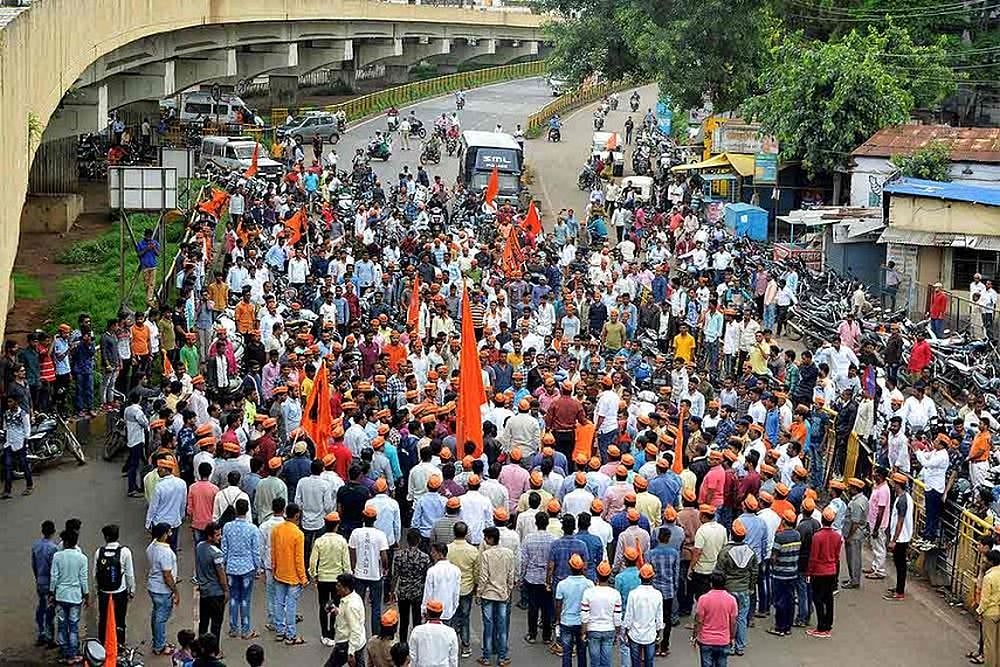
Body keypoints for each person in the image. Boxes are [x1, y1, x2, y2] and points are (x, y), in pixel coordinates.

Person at [714, 519, 757, 656]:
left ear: (731, 534)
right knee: (742, 618)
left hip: (728, 590)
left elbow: (719, 572)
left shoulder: (725, 552)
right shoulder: (750, 552)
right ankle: (740, 646)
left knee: (728, 619)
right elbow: (754, 572)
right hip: (744, 590)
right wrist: (751, 587)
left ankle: (729, 644)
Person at [222, 498, 263, 640]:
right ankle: (246, 630)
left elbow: (224, 549)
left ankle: (233, 629)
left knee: (233, 598)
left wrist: (224, 565)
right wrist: (258, 568)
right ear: (247, 510)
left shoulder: (227, 527)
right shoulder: (253, 529)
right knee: (245, 599)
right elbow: (256, 551)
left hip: (231, 568)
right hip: (247, 568)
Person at [310, 512, 352, 647]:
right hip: (337, 580)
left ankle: (324, 634)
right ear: (337, 525)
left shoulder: (319, 541)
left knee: (323, 606)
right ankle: (333, 633)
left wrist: (314, 575)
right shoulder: (342, 541)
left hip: (323, 579)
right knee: (335, 606)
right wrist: (348, 576)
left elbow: (312, 562)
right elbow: (346, 563)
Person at [477, 526, 516, 666]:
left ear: (490, 538)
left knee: (488, 626)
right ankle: (502, 657)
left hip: (488, 594)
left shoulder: (486, 555)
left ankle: (486, 657)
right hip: (503, 595)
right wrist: (509, 590)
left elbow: (483, 576)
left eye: (486, 538)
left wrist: (479, 592)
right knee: (502, 626)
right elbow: (511, 575)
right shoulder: (509, 553)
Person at [49, 528, 89, 663]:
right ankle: (73, 654)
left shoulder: (57, 556)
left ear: (64, 542)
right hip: (75, 597)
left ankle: (63, 652)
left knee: (61, 625)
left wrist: (51, 592)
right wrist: (86, 594)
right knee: (73, 626)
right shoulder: (82, 558)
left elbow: (54, 577)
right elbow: (83, 579)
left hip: (60, 596)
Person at [271, 502, 308, 645]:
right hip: (293, 577)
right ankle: (290, 634)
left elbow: (273, 553)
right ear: (297, 515)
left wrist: (274, 569)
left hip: (279, 573)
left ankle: (280, 631)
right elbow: (299, 559)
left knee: (279, 603)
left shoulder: (276, 530)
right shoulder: (298, 534)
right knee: (291, 606)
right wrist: (303, 578)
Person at [350, 505, 390, 632]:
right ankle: (375, 634)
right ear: (375, 519)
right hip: (375, 575)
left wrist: (353, 567)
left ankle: (358, 631)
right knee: (376, 607)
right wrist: (385, 568)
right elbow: (384, 556)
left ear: (363, 518)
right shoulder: (380, 535)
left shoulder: (356, 533)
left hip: (359, 574)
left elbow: (351, 552)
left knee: (358, 605)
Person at [94, 523, 136, 646]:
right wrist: (131, 590)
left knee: (103, 618)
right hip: (120, 592)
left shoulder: (99, 552)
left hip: (104, 592)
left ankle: (103, 643)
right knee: (120, 618)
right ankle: (119, 643)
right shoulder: (125, 552)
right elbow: (129, 574)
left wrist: (97, 588)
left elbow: (95, 573)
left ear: (105, 537)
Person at [807, 507, 843, 638]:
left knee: (817, 598)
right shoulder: (837, 537)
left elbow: (814, 557)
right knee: (828, 599)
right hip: (832, 570)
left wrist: (809, 573)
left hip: (819, 572)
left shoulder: (817, 537)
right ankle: (828, 625)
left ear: (822, 520)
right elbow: (837, 555)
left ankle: (821, 626)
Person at [146, 522, 179, 656]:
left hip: (153, 586)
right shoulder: (165, 552)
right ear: (164, 535)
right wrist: (175, 591)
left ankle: (158, 641)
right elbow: (167, 575)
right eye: (169, 532)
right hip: (162, 590)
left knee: (156, 615)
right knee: (161, 618)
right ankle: (159, 646)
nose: (171, 534)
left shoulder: (152, 546)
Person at [692, 571, 737, 667]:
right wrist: (732, 637)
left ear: (711, 583)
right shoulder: (731, 600)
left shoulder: (703, 599)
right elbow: (733, 622)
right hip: (723, 640)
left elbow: (699, 620)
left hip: (706, 640)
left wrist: (695, 635)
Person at [555, 553, 593, 667]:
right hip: (583, 623)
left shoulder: (562, 584)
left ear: (569, 567)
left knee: (567, 652)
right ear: (582, 568)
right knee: (582, 652)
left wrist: (558, 620)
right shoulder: (589, 584)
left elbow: (558, 605)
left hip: (567, 622)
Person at [622, 563, 663, 667]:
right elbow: (659, 616)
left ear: (640, 576)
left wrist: (626, 630)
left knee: (635, 663)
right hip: (650, 634)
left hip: (634, 634)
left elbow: (629, 615)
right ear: (653, 577)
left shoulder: (633, 594)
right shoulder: (657, 594)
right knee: (649, 662)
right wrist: (659, 631)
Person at [195, 522, 229, 641]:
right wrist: (226, 591)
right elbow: (221, 574)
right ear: (210, 536)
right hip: (216, 592)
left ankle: (200, 646)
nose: (220, 538)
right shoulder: (217, 553)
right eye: (217, 535)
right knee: (216, 623)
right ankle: (214, 650)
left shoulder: (199, 547)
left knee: (203, 621)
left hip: (204, 591)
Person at [884, 471, 914, 602]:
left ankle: (899, 592)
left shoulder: (902, 500)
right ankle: (898, 588)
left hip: (901, 538)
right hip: (904, 536)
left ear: (897, 484)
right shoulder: (906, 497)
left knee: (900, 565)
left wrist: (893, 540)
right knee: (900, 565)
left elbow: (900, 522)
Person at [327, 573, 366, 667]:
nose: (336, 587)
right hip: (358, 642)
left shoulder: (350, 606)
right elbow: (348, 618)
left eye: (339, 586)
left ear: (346, 588)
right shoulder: (353, 597)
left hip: (346, 644)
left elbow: (355, 630)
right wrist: (337, 611)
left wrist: (351, 653)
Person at [31, 520, 58, 647]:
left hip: (40, 581)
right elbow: (54, 569)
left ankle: (41, 633)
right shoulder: (54, 548)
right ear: (53, 532)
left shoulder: (36, 546)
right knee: (50, 610)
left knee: (41, 607)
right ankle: (49, 637)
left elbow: (34, 565)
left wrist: (37, 578)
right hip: (49, 582)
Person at [3, 394, 33, 497]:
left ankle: (29, 486)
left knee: (24, 465)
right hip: (9, 444)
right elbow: (5, 427)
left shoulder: (23, 414)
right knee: (7, 466)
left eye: (11, 402)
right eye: (8, 402)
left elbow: (27, 429)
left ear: (16, 402)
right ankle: (7, 491)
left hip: (20, 443)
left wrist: (25, 442)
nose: (9, 404)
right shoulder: (6, 414)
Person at [976, 549, 1000, 667]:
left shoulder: (989, 577)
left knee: (989, 644)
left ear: (991, 562)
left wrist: (979, 611)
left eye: (985, 561)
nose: (983, 563)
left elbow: (985, 599)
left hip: (990, 613)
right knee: (997, 644)